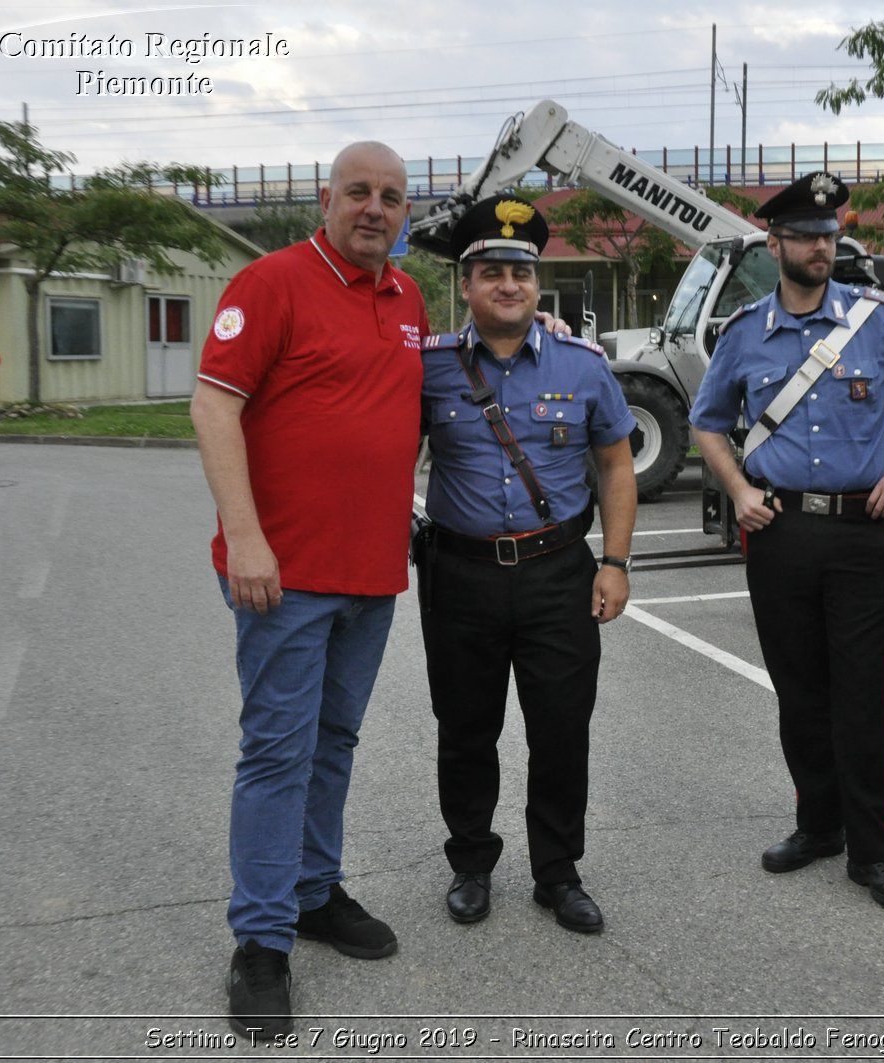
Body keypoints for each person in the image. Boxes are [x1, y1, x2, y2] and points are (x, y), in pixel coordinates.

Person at [191, 141, 426, 1037]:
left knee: (334, 741)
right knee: (279, 751)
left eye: (392, 197)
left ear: (407, 213)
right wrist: (246, 538)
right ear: (325, 199)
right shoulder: (274, 283)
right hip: (281, 576)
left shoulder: (406, 297)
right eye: (359, 192)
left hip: (371, 572)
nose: (375, 207)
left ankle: (314, 890)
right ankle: (260, 939)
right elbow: (214, 405)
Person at [689, 171, 884, 911]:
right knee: (799, 692)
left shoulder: (875, 319)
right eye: (808, 235)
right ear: (774, 243)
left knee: (860, 697)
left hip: (859, 535)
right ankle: (817, 825)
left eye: (830, 233)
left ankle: (873, 851)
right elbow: (706, 422)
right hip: (780, 532)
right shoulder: (746, 331)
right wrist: (740, 491)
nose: (823, 244)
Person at [416, 195, 637, 934]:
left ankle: (557, 871)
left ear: (537, 285)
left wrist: (614, 561)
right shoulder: (430, 369)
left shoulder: (582, 367)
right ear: (468, 284)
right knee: (466, 727)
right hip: (461, 574)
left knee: (561, 727)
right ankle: (471, 864)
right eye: (491, 272)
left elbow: (615, 466)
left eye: (520, 271)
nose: (508, 284)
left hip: (557, 574)